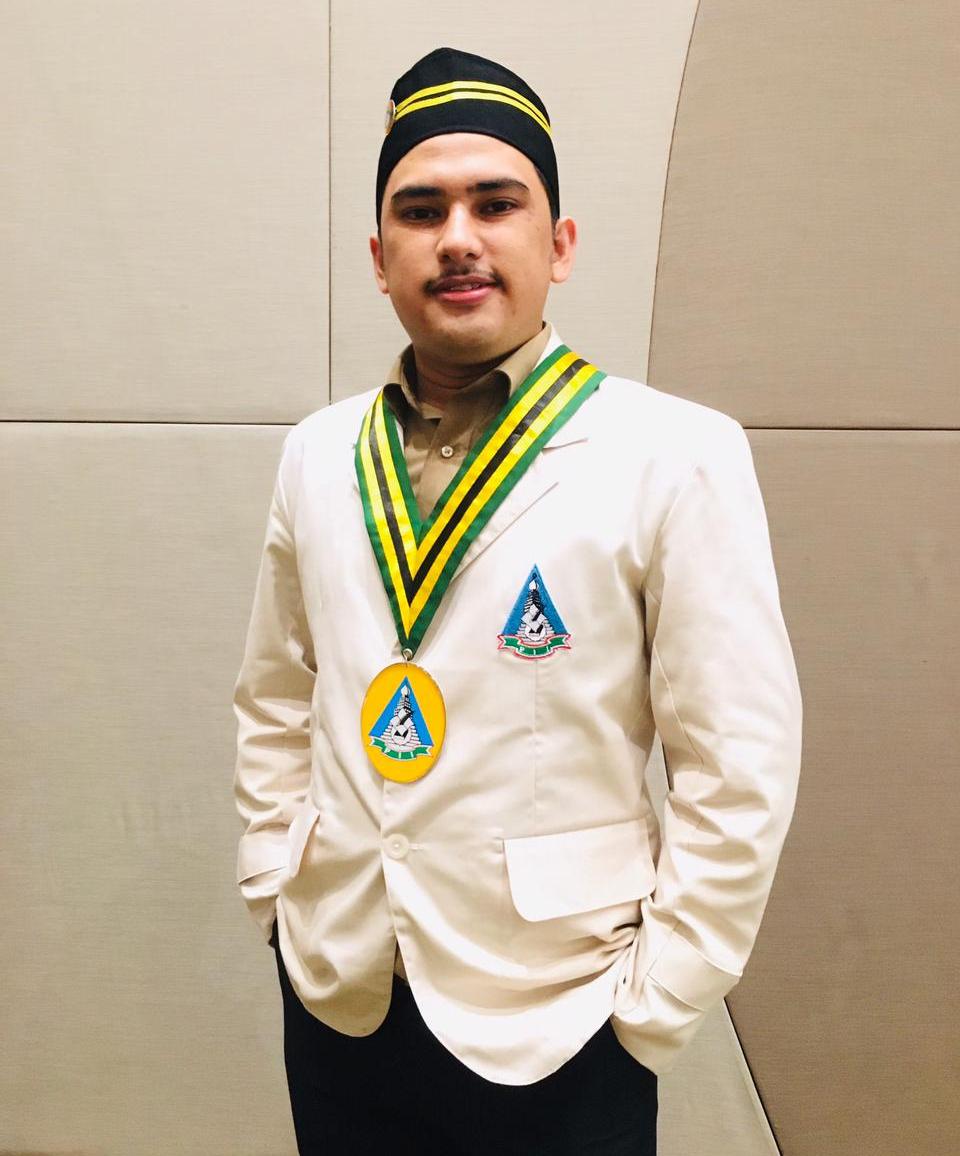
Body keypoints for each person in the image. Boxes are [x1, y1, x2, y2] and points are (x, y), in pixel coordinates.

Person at [233, 46, 802, 1155]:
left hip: (564, 1013)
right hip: (343, 992)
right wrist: (276, 887)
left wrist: (656, 1002)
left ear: (560, 243)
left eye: (496, 204)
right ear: (380, 258)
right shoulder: (317, 453)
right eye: (421, 210)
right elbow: (273, 695)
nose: (458, 237)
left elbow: (740, 762)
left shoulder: (673, 453)